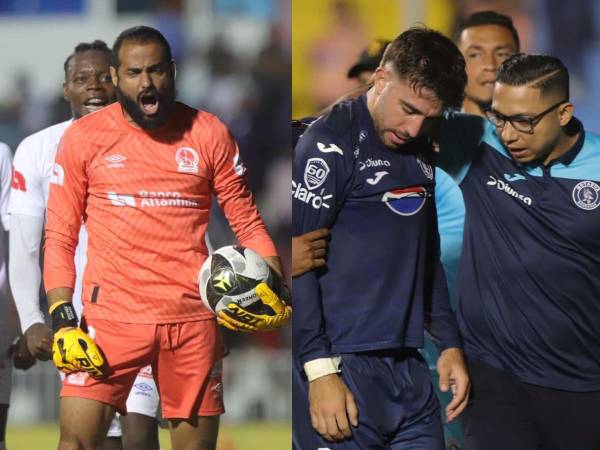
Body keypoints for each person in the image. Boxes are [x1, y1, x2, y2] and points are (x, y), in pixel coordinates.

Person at [43, 26, 289, 450]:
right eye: (135, 73)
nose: (147, 83)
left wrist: (276, 287)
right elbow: (60, 234)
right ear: (116, 79)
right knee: (75, 444)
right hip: (110, 321)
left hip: (191, 321)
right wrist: (62, 313)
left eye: (156, 70)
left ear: (173, 71)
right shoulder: (83, 139)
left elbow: (247, 222)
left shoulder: (209, 133)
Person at [292, 27, 469, 450]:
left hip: (408, 371)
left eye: (428, 117)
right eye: (408, 109)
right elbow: (301, 268)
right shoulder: (326, 145)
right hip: (342, 367)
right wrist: (319, 372)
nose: (413, 128)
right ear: (381, 78)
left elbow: (424, 255)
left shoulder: (421, 147)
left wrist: (448, 343)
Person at [8, 40, 168, 450]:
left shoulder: (154, 142)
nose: (94, 87)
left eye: (102, 77)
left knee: (139, 433)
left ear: (117, 81)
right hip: (75, 320)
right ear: (66, 89)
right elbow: (25, 246)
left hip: (143, 310)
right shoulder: (38, 149)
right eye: (82, 79)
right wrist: (31, 320)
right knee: (93, 441)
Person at [437, 53, 600, 450]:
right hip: (494, 377)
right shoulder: (476, 143)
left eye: (524, 121)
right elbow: (383, 114)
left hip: (585, 383)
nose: (508, 134)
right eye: (499, 116)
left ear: (563, 113)